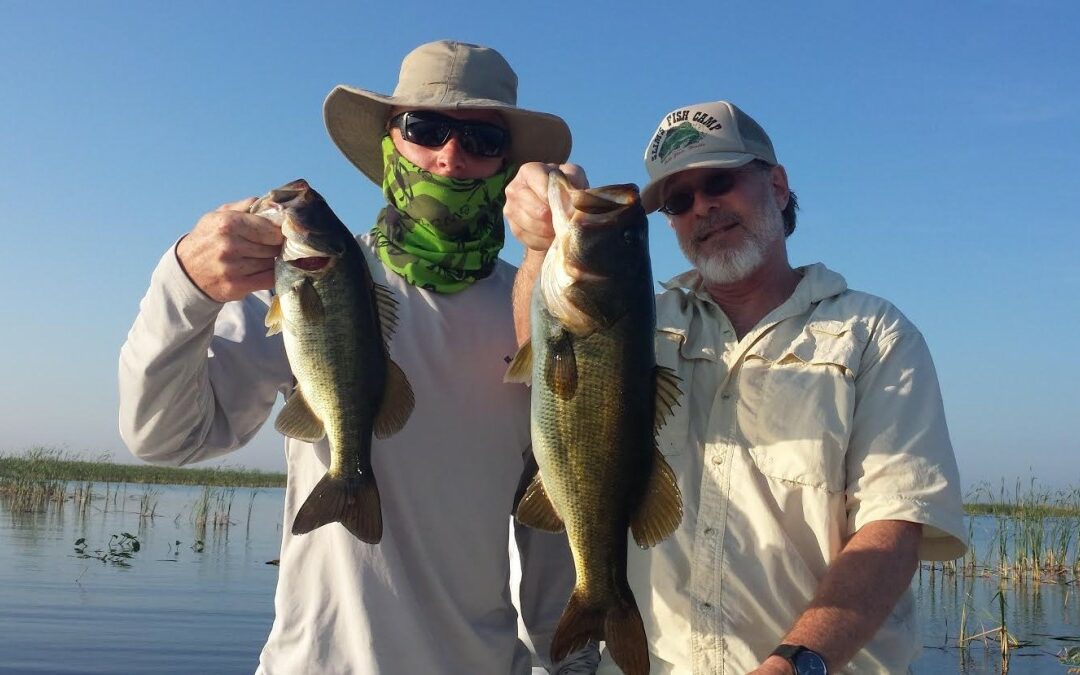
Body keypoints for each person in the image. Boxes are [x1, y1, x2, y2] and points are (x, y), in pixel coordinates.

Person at [119, 40, 599, 674]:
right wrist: (184, 284)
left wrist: (571, 661)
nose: (450, 156)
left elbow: (553, 516)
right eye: (425, 129)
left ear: (509, 167)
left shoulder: (535, 311)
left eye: (481, 139)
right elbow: (167, 439)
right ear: (390, 143)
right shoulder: (304, 281)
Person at [504, 100, 967, 674]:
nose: (703, 208)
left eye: (719, 181)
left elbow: (894, 526)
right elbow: (547, 359)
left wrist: (795, 663)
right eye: (678, 200)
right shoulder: (639, 326)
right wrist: (539, 244)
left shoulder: (873, 335)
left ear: (777, 185)